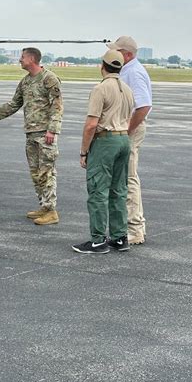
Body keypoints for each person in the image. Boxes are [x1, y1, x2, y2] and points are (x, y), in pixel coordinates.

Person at [0, 48, 63, 226]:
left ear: (32, 59)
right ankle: (44, 206)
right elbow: (14, 103)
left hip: (45, 134)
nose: (20, 60)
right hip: (31, 133)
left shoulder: (49, 78)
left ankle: (51, 211)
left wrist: (52, 130)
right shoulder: (25, 82)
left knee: (46, 172)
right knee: (35, 173)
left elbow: (57, 106)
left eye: (23, 57)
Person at [72, 50, 134, 254]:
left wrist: (84, 151)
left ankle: (98, 240)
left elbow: (91, 125)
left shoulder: (100, 89)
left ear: (103, 66)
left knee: (98, 190)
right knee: (119, 190)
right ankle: (119, 237)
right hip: (124, 139)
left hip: (105, 141)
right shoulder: (127, 88)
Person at [106, 36, 152, 245]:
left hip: (129, 127)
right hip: (124, 127)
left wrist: (127, 130)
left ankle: (135, 229)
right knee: (123, 178)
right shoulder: (126, 70)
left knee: (129, 178)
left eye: (117, 51)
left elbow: (143, 106)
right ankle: (128, 226)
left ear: (128, 54)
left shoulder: (134, 72)